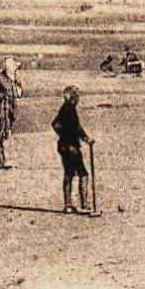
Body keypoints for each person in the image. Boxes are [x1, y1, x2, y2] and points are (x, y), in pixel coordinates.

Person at [51, 86, 93, 214]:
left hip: (64, 146)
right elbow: (75, 128)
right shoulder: (69, 110)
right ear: (72, 97)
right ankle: (84, 205)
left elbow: (56, 124)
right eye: (76, 96)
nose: (78, 98)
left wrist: (64, 136)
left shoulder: (65, 109)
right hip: (72, 148)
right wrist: (82, 138)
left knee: (69, 174)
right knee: (83, 174)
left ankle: (68, 205)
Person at [0, 57, 23, 169]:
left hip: (12, 110)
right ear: (8, 67)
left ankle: (3, 160)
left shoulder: (13, 80)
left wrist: (17, 81)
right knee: (4, 134)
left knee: (8, 133)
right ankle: (3, 160)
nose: (17, 70)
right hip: (2, 110)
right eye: (15, 68)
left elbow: (19, 94)